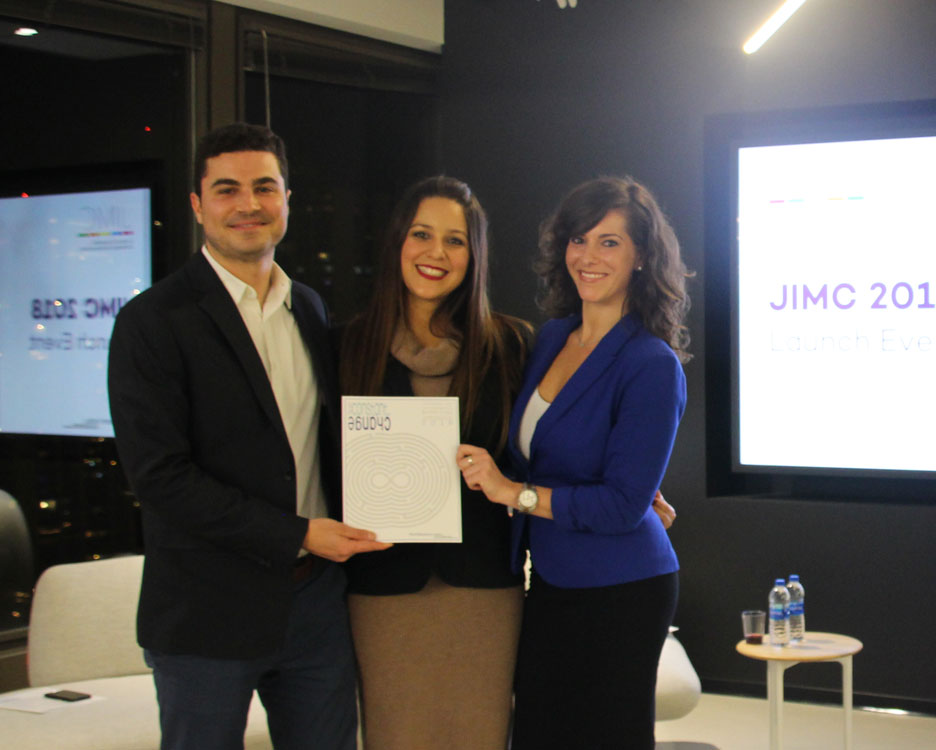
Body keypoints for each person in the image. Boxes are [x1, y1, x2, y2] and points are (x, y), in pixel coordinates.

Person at [107, 122, 390, 750]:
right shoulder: (152, 322)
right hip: (206, 614)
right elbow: (159, 477)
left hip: (315, 603)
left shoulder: (310, 308)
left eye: (265, 187)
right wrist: (296, 533)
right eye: (228, 189)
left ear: (287, 197)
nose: (249, 205)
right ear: (197, 205)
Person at [457, 176, 691, 750]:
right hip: (555, 578)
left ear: (641, 257)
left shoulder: (651, 364)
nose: (588, 257)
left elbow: (617, 507)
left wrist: (514, 493)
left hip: (623, 586)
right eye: (578, 239)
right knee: (538, 731)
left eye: (610, 243)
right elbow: (547, 452)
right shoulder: (551, 338)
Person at [336, 175, 532, 750]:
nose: (436, 253)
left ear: (474, 255)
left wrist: (635, 485)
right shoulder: (344, 347)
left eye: (456, 240)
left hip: (483, 592)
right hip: (382, 589)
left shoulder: (511, 346)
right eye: (422, 234)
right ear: (398, 240)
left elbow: (551, 440)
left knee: (479, 735)